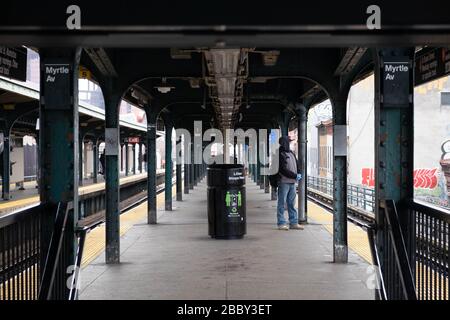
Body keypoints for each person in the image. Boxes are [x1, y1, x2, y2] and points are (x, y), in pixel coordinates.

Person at [276, 136, 303, 230]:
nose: (290, 144)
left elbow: (297, 164)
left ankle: (293, 222)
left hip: (292, 182)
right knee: (282, 203)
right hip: (284, 182)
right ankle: (281, 223)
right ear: (285, 143)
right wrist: (294, 176)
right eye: (289, 142)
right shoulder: (280, 154)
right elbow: (282, 169)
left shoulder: (291, 153)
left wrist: (298, 173)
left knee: (291, 203)